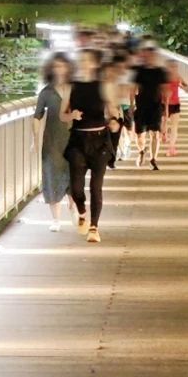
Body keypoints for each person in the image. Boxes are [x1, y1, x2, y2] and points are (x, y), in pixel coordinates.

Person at [66, 47, 122, 243]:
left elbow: (112, 109)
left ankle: (94, 227)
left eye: (87, 62)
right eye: (81, 62)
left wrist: (114, 121)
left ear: (94, 65)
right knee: (76, 188)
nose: (84, 65)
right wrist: (70, 116)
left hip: (99, 141)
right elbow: (61, 115)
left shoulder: (103, 85)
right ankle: (81, 211)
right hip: (78, 141)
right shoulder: (72, 86)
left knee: (95, 186)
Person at [33, 53, 74, 231]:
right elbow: (37, 116)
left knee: (74, 176)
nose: (60, 70)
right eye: (56, 67)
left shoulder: (75, 90)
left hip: (73, 139)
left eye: (63, 66)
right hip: (52, 141)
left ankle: (75, 209)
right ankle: (56, 219)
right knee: (52, 176)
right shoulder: (47, 92)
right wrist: (36, 139)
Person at [132, 40, 168, 170]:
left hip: (155, 106)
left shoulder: (160, 72)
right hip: (141, 106)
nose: (149, 58)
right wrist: (132, 105)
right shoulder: (139, 71)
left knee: (155, 133)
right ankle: (141, 150)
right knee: (139, 135)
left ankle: (153, 159)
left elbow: (165, 91)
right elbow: (133, 89)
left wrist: (166, 111)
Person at [162, 64, 182, 156]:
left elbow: (184, 84)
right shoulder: (164, 79)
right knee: (164, 124)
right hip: (165, 104)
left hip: (175, 104)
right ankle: (164, 134)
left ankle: (171, 147)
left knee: (174, 127)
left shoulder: (177, 76)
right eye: (172, 67)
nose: (174, 70)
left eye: (175, 68)